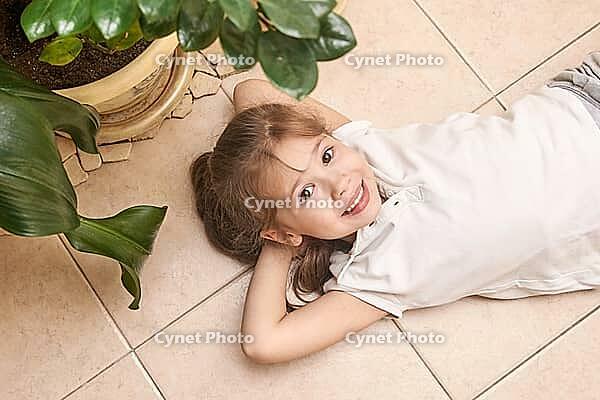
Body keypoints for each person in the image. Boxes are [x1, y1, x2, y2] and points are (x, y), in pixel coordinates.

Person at [190, 51, 600, 364]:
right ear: (285, 232)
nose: (339, 184)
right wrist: (280, 241)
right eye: (306, 193)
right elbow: (264, 343)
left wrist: (274, 166)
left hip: (582, 99)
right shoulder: (371, 278)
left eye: (326, 155)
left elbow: (250, 91)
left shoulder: (366, 147)